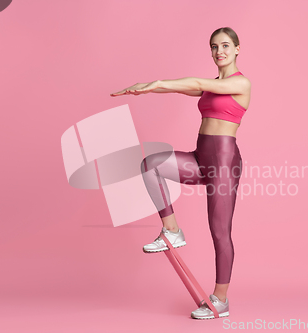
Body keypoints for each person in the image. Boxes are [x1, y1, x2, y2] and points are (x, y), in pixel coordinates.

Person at [110, 27, 251, 319]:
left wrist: (156, 81)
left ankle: (221, 300)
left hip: (224, 162)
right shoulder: (211, 84)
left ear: (238, 49)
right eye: (214, 47)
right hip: (201, 158)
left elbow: (195, 81)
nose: (219, 52)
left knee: (219, 232)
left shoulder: (242, 83)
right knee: (151, 165)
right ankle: (172, 231)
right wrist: (146, 87)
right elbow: (181, 87)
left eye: (225, 45)